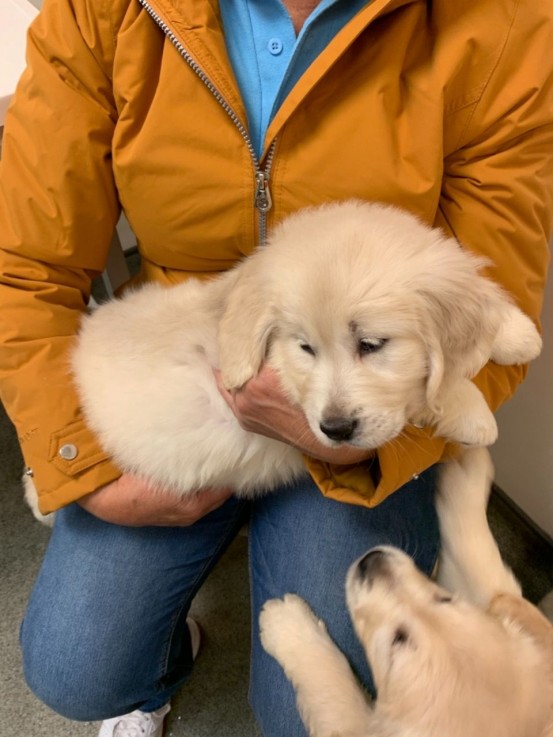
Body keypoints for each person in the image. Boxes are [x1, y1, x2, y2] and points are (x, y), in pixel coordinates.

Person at [0, 0, 552, 735]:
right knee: (74, 667)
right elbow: (21, 264)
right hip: (185, 368)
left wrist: (373, 442)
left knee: (302, 716)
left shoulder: (506, 22)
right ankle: (162, 663)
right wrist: (76, 460)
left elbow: (491, 294)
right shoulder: (103, 11)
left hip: (361, 430)